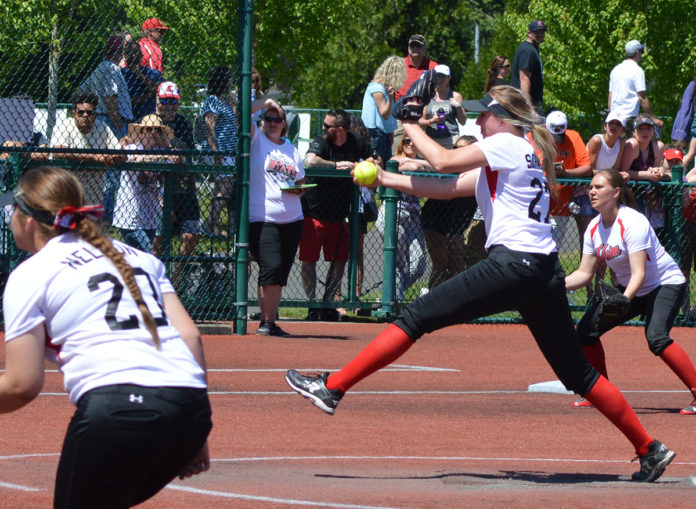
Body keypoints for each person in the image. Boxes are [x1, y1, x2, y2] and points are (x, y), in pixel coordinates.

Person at [286, 85, 676, 483]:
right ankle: (650, 448)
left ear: (502, 117)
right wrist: (385, 178)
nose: (478, 121)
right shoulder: (517, 152)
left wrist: (408, 125)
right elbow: (446, 187)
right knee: (579, 374)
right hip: (543, 271)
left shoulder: (507, 142)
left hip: (514, 264)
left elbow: (441, 161)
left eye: (484, 114)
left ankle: (333, 388)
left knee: (417, 316)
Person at [0, 165, 211, 507]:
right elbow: (189, 337)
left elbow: (22, 384)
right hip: (189, 408)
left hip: (117, 408)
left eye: (12, 210)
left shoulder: (31, 274)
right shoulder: (141, 258)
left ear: (27, 220)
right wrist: (196, 430)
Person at [565, 169, 696, 415]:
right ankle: (600, 393)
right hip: (632, 288)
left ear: (616, 192)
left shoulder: (633, 222)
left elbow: (639, 273)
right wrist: (553, 285)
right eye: (591, 187)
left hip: (664, 283)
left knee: (656, 337)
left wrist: (624, 300)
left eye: (599, 187)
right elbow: (584, 273)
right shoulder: (593, 228)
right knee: (586, 331)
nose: (592, 191)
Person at [300, 109, 377, 321]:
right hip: (314, 211)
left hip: (341, 213)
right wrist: (335, 165)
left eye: (327, 126)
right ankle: (313, 304)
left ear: (340, 129)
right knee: (309, 260)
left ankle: (327, 302)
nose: (323, 129)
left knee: (340, 260)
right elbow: (310, 161)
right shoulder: (322, 141)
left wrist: (364, 165)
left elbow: (376, 159)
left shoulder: (356, 141)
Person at [248, 98, 305, 336]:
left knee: (280, 273)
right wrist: (266, 103)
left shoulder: (291, 149)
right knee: (270, 267)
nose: (272, 122)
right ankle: (266, 321)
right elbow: (240, 113)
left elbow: (300, 181)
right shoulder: (256, 141)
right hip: (264, 216)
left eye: (277, 119)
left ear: (284, 123)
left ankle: (270, 321)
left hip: (293, 218)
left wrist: (299, 189)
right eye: (268, 118)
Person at [149, 82, 202, 284]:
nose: (169, 105)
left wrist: (178, 155)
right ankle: (157, 281)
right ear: (157, 100)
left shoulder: (182, 123)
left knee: (192, 235)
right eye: (165, 100)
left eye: (173, 101)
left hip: (183, 189)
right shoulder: (150, 122)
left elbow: (187, 152)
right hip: (157, 189)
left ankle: (176, 276)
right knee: (158, 241)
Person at [420, 135, 479, 289]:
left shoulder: (480, 171)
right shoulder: (451, 168)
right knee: (441, 264)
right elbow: (432, 164)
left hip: (457, 225)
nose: (456, 152)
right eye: (455, 148)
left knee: (457, 266)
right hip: (434, 221)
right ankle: (431, 302)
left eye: (461, 149)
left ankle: (454, 303)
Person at [50, 89, 125, 205]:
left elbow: (119, 151)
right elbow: (58, 151)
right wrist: (94, 157)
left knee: (90, 222)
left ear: (95, 114)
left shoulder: (102, 127)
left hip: (93, 194)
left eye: (90, 113)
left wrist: (115, 156)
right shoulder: (64, 125)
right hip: (67, 190)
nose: (85, 115)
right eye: (81, 112)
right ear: (74, 112)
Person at [113, 114, 176, 253]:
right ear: (141, 133)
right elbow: (139, 160)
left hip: (149, 217)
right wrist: (164, 155)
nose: (153, 133)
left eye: (158, 130)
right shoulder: (131, 149)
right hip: (129, 217)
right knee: (148, 255)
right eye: (149, 129)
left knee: (138, 258)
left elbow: (178, 159)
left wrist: (167, 145)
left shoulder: (163, 151)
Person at [384, 135, 427, 300]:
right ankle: (393, 298)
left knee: (418, 265)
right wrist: (422, 165)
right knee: (399, 261)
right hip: (395, 213)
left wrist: (422, 163)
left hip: (414, 216)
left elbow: (436, 166)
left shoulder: (421, 162)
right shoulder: (395, 159)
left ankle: (392, 294)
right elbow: (406, 167)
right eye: (406, 141)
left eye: (414, 141)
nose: (410, 144)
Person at [200, 65, 238, 238]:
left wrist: (233, 100)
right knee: (225, 188)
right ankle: (208, 224)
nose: (231, 82)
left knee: (224, 188)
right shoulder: (212, 100)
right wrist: (216, 153)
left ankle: (214, 226)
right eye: (229, 78)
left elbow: (236, 119)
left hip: (230, 151)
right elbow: (210, 127)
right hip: (219, 152)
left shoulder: (225, 101)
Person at [620, 115, 666, 244]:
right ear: (634, 131)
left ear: (653, 131)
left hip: (649, 194)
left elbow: (657, 169)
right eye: (641, 129)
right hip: (629, 194)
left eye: (648, 128)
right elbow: (623, 172)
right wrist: (646, 174)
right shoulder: (632, 144)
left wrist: (656, 171)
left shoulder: (658, 147)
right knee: (634, 232)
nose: (645, 132)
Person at [80, 33, 133, 139]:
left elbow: (81, 90)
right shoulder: (112, 69)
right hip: (112, 121)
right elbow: (110, 98)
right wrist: (118, 123)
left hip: (100, 118)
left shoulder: (99, 68)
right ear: (120, 52)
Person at [392, 34, 438, 154]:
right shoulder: (399, 65)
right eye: (413, 46)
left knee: (423, 151)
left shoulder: (433, 67)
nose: (415, 49)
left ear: (425, 49)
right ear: (408, 48)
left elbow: (438, 89)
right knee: (398, 147)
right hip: (401, 113)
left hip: (423, 113)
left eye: (418, 46)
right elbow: (390, 88)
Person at [609, 40, 663, 137]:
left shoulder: (616, 70)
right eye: (641, 51)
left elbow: (610, 95)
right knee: (629, 149)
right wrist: (652, 118)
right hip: (628, 117)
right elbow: (642, 97)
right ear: (638, 52)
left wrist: (610, 115)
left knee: (616, 149)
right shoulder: (637, 71)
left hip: (613, 118)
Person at [361, 55, 405, 164]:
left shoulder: (384, 88)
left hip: (383, 134)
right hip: (375, 134)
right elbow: (384, 113)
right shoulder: (377, 88)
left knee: (385, 167)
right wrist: (391, 96)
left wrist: (390, 132)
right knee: (378, 167)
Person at [419, 64, 467, 149]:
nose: (439, 79)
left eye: (443, 76)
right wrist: (432, 121)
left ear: (449, 78)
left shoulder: (455, 96)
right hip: (431, 139)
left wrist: (458, 107)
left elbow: (463, 122)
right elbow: (420, 122)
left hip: (451, 138)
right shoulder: (427, 95)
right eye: (437, 76)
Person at [510, 20, 546, 115]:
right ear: (529, 33)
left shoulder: (532, 49)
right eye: (536, 32)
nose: (540, 34)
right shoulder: (528, 50)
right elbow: (524, 79)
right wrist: (529, 107)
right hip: (524, 105)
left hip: (529, 103)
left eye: (542, 31)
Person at [121, 39, 162, 121]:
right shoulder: (121, 75)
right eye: (129, 53)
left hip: (150, 118)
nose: (133, 55)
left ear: (141, 55)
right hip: (129, 119)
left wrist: (141, 75)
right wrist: (147, 97)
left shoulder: (153, 74)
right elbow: (125, 102)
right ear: (124, 56)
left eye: (136, 52)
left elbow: (157, 91)